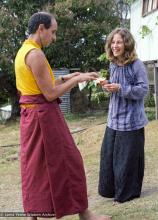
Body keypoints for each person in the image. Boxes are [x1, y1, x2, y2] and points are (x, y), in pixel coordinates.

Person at [14, 12, 112, 220]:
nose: (54, 37)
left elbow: (42, 88)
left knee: (35, 167)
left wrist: (74, 76)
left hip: (32, 117)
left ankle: (35, 215)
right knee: (71, 160)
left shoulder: (24, 51)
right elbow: (49, 94)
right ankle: (85, 214)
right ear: (41, 28)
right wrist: (78, 81)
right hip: (43, 117)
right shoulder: (36, 55)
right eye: (53, 31)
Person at [98, 28, 149, 204]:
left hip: (131, 121)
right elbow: (115, 87)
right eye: (112, 42)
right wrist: (108, 86)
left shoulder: (137, 65)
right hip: (113, 119)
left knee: (127, 160)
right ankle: (112, 190)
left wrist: (121, 88)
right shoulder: (112, 64)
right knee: (109, 157)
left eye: (118, 42)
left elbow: (143, 90)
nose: (115, 46)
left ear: (126, 43)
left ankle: (127, 193)